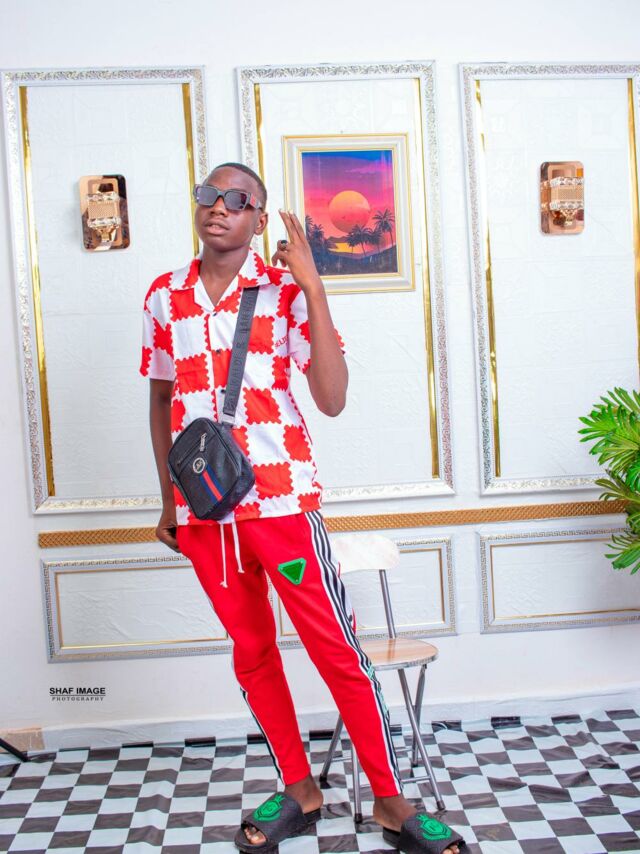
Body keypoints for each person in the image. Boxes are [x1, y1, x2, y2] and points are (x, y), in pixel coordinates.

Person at [139, 161, 464, 854]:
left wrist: (315, 287)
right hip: (205, 514)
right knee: (253, 653)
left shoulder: (284, 290)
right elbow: (162, 398)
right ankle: (300, 788)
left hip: (282, 500)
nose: (218, 206)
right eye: (208, 195)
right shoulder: (165, 295)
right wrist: (168, 497)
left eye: (237, 199)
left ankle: (391, 801)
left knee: (336, 650)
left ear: (260, 220)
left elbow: (332, 397)